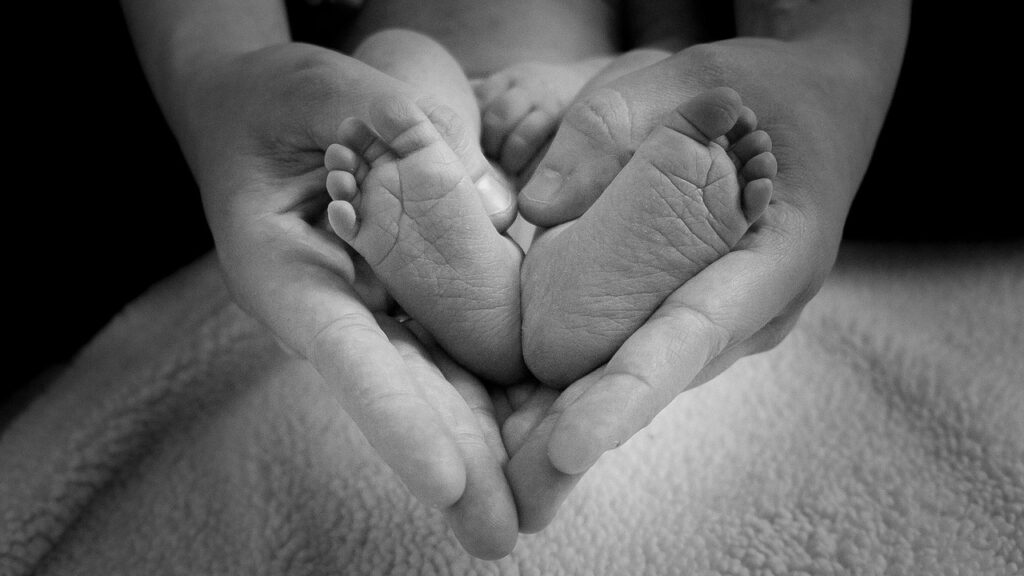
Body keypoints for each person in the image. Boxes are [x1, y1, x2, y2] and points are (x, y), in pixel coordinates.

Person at [120, 0, 910, 559]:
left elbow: (673, 57)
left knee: (640, 77)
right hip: (462, 121)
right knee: (394, 68)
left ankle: (535, 261)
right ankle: (508, 269)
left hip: (586, 125)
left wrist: (581, 84)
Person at [323, 14, 775, 388]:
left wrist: (571, 79)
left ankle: (565, 265)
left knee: (650, 66)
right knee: (398, 51)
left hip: (578, 123)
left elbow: (677, 37)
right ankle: (532, 280)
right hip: (460, 130)